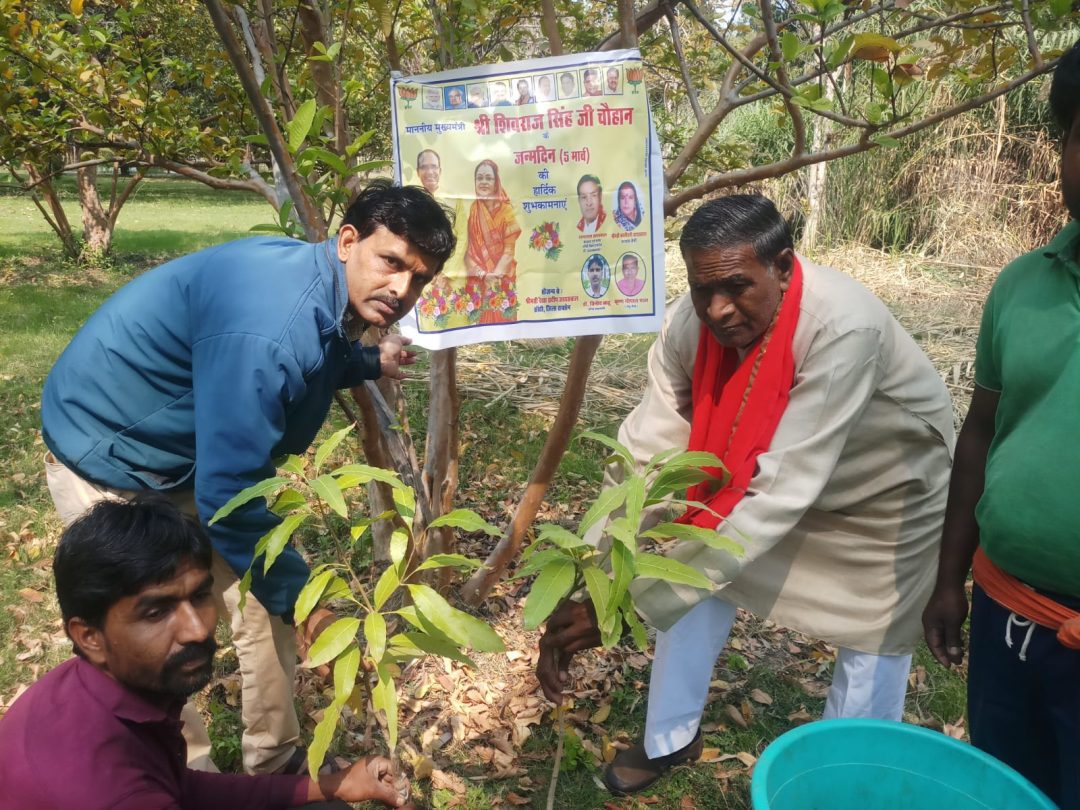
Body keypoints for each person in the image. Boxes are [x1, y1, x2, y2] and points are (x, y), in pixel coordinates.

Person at [537, 194, 954, 796]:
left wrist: (636, 605)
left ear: (783, 266)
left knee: (872, 635)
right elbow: (645, 455)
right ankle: (669, 740)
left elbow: (779, 494)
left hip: (882, 489)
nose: (718, 310)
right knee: (685, 558)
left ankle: (841, 780)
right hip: (763, 474)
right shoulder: (690, 322)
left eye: (736, 287)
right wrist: (593, 582)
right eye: (703, 289)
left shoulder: (843, 328)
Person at [40, 181, 455, 777]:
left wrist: (367, 360)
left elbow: (311, 354)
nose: (402, 289)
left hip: (186, 451)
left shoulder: (320, 286)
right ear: (347, 241)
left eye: (419, 278)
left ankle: (277, 761)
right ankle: (181, 773)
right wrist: (310, 608)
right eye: (392, 263)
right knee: (153, 625)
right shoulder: (269, 325)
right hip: (108, 449)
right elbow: (229, 491)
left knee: (267, 601)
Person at [0, 496, 406, 810]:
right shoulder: (108, 788)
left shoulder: (86, 690)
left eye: (199, 595)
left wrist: (332, 784)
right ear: (89, 636)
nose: (197, 629)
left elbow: (181, 785)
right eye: (156, 612)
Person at [921, 39, 1080, 810]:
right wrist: (950, 577)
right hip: (1008, 619)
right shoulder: (1021, 285)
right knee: (1004, 791)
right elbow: (980, 435)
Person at [464, 159, 521, 325]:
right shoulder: (474, 209)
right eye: (479, 178)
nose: (483, 182)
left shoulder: (506, 211)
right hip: (479, 277)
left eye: (488, 178)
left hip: (502, 278)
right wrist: (483, 275)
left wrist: (493, 278)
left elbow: (509, 252)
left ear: (496, 182)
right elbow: (468, 251)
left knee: (502, 329)